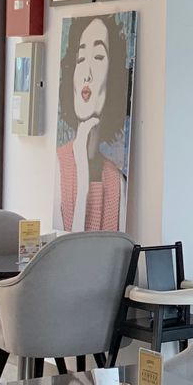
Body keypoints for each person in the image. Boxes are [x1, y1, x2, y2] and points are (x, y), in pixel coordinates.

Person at [55, 13, 131, 231]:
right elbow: (67, 244)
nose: (86, 74)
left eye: (98, 57)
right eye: (80, 60)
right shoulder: (57, 166)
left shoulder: (117, 182)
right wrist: (81, 163)